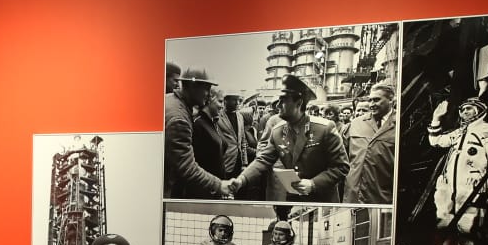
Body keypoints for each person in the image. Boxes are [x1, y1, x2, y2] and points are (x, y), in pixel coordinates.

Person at [229, 75, 348, 203]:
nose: (278, 105)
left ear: (299, 103)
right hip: (293, 202)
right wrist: (241, 180)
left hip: (322, 202)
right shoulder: (277, 132)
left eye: (283, 100)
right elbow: (263, 160)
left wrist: (313, 184)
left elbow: (341, 167)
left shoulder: (324, 129)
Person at [429, 97, 488, 245]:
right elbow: (436, 141)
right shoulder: (459, 132)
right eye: (462, 109)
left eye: (469, 108)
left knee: (468, 223)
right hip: (450, 182)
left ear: (479, 110)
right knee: (443, 219)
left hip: (471, 181)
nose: (464, 112)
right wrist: (436, 119)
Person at [165, 68, 232, 199]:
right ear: (192, 86)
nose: (208, 94)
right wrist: (219, 185)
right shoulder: (179, 119)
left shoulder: (172, 101)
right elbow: (187, 167)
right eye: (206, 88)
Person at [344, 84, 397, 205]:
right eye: (370, 100)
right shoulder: (356, 124)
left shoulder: (399, 124)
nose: (372, 104)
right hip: (353, 196)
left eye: (377, 100)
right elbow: (341, 159)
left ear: (390, 100)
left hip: (382, 197)